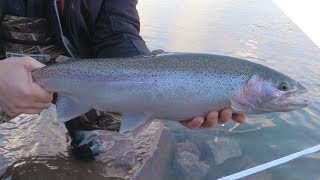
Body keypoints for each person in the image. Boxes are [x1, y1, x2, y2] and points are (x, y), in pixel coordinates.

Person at [0, 0, 245, 158]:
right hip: (6, 64)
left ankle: (79, 128)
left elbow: (117, 32)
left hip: (80, 70)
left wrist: (170, 97)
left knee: (119, 112)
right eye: (285, 88)